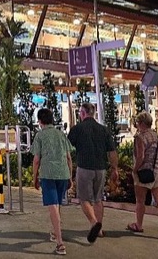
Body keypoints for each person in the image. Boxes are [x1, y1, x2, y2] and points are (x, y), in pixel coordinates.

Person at [67, 103, 118, 244]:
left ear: (83, 113)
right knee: (98, 199)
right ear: (94, 113)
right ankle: (99, 230)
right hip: (101, 169)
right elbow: (112, 152)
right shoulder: (104, 130)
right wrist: (114, 169)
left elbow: (67, 149)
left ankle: (94, 222)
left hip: (85, 168)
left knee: (84, 199)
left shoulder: (77, 129)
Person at [127, 111, 158, 241]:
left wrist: (134, 170)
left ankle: (139, 224)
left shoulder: (140, 137)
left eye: (137, 122)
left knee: (140, 200)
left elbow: (140, 157)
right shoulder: (157, 137)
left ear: (141, 123)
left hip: (143, 173)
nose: (136, 124)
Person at [32, 108, 73, 255]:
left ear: (40, 121)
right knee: (57, 205)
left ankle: (60, 243)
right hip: (63, 173)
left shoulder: (40, 136)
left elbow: (36, 160)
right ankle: (55, 233)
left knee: (53, 206)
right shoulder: (61, 134)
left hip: (48, 174)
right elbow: (68, 157)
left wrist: (34, 177)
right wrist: (70, 175)